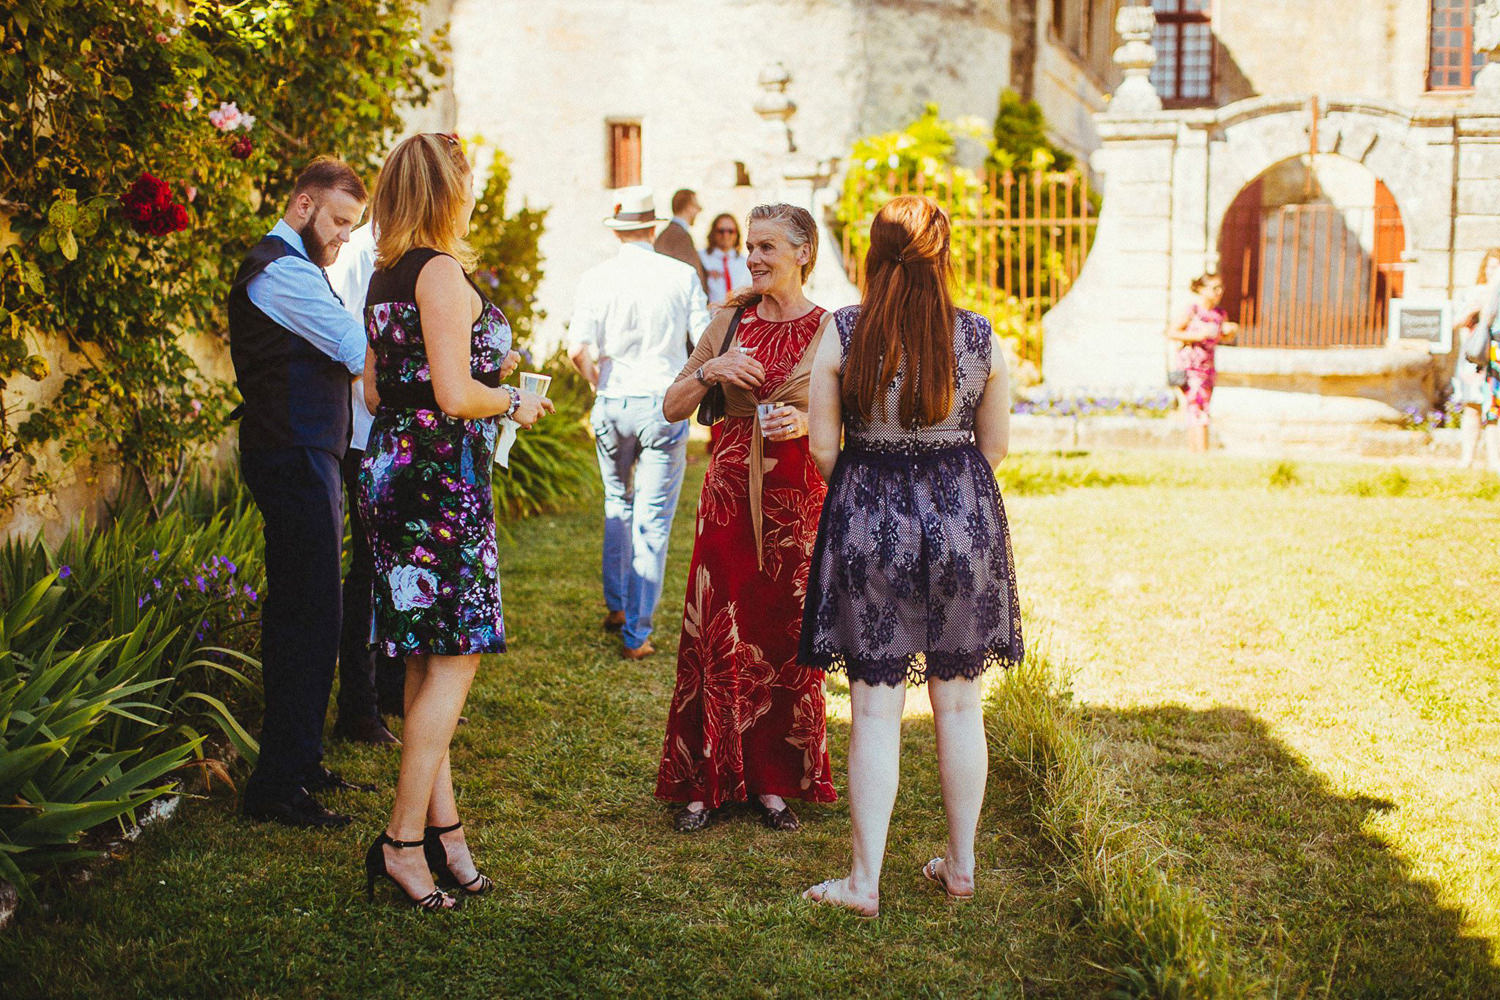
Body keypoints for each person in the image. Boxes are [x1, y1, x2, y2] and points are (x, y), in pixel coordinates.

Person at [798, 195, 1023, 917]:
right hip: (962, 522)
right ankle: (961, 867)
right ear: (943, 256)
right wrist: (943, 495)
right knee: (959, 702)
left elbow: (823, 447)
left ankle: (863, 883)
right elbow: (995, 448)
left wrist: (870, 490)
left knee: (873, 709)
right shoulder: (980, 337)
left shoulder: (844, 331)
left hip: (870, 518)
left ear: (873, 252)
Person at [358, 133, 552, 911]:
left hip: (395, 468)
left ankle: (446, 839)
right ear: (448, 190)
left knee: (425, 660)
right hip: (438, 479)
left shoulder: (383, 276)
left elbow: (376, 393)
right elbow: (452, 395)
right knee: (456, 655)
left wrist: (473, 372)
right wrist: (513, 399)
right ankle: (402, 844)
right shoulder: (437, 270)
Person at [655, 203, 836, 833]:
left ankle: (772, 781)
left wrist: (808, 420)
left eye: (766, 247)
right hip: (730, 497)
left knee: (784, 633)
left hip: (798, 503)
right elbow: (672, 406)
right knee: (718, 628)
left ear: (803, 253)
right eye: (750, 246)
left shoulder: (832, 329)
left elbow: (857, 420)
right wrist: (712, 369)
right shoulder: (729, 321)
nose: (753, 258)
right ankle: (705, 782)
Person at [230, 156, 377, 830]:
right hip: (289, 454)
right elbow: (355, 347)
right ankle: (277, 786)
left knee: (312, 609)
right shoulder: (281, 271)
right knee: (306, 613)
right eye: (340, 222)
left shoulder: (300, 266)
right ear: (303, 205)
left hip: (305, 454)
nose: (346, 236)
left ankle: (301, 763)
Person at [569, 186, 711, 660]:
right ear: (652, 228)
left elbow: (577, 349)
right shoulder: (681, 275)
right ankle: (636, 634)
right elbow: (703, 342)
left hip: (612, 398)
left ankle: (617, 606)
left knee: (617, 502)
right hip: (662, 401)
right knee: (652, 518)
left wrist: (596, 380)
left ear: (618, 231)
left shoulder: (596, 278)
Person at [326, 220, 403, 744]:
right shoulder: (358, 253)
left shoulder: (411, 249)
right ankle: (358, 708)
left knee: (397, 569)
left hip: (398, 435)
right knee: (370, 574)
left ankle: (394, 693)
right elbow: (352, 348)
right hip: (364, 437)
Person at [1166, 272, 1238, 453]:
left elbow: (1220, 338)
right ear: (1201, 289)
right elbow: (1171, 332)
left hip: (1208, 368)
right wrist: (1197, 335)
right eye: (1214, 288)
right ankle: (1201, 452)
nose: (1218, 292)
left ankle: (1196, 452)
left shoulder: (1219, 314)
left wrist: (1229, 333)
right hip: (1190, 367)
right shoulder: (1193, 311)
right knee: (1198, 405)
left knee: (1198, 407)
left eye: (1220, 288)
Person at [1451, 248, 1500, 472]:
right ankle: (1467, 459)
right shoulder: (1473, 293)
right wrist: (1473, 310)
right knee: (1472, 407)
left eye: (1497, 267)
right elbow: (1454, 323)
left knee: (1494, 411)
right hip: (1473, 358)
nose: (1493, 272)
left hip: (1495, 358)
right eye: (1491, 266)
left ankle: (1494, 463)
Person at [654, 188, 709, 293]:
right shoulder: (680, 236)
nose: (699, 210)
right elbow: (690, 276)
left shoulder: (667, 233)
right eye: (697, 206)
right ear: (688, 207)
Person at [699, 212, 752, 308]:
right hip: (709, 314)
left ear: (736, 234)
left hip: (738, 314)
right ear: (713, 233)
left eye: (730, 231)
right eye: (721, 231)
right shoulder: (701, 258)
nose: (726, 235)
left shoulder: (746, 263)